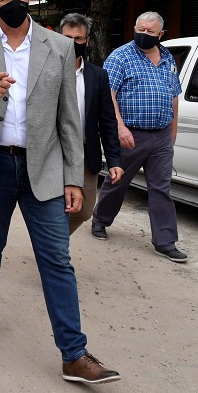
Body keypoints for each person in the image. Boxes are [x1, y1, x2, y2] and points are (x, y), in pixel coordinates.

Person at [0, 0, 120, 384]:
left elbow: (70, 120)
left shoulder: (58, 45)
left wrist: (74, 177)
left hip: (44, 166)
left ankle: (73, 354)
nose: (16, 2)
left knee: (57, 258)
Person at [90, 11, 186, 262]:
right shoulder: (120, 57)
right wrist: (120, 127)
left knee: (161, 188)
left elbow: (174, 96)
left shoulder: (167, 58)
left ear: (161, 34)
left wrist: (173, 131)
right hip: (131, 134)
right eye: (139, 30)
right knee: (118, 181)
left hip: (162, 135)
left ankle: (165, 241)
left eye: (149, 32)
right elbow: (108, 95)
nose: (143, 35)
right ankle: (100, 220)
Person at [57, 14, 124, 234]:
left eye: (78, 38)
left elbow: (107, 121)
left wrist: (114, 159)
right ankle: (54, 253)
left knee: (84, 210)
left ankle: (51, 245)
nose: (73, 43)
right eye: (67, 37)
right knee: (54, 207)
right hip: (52, 151)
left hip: (86, 154)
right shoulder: (47, 71)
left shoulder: (98, 76)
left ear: (87, 41)